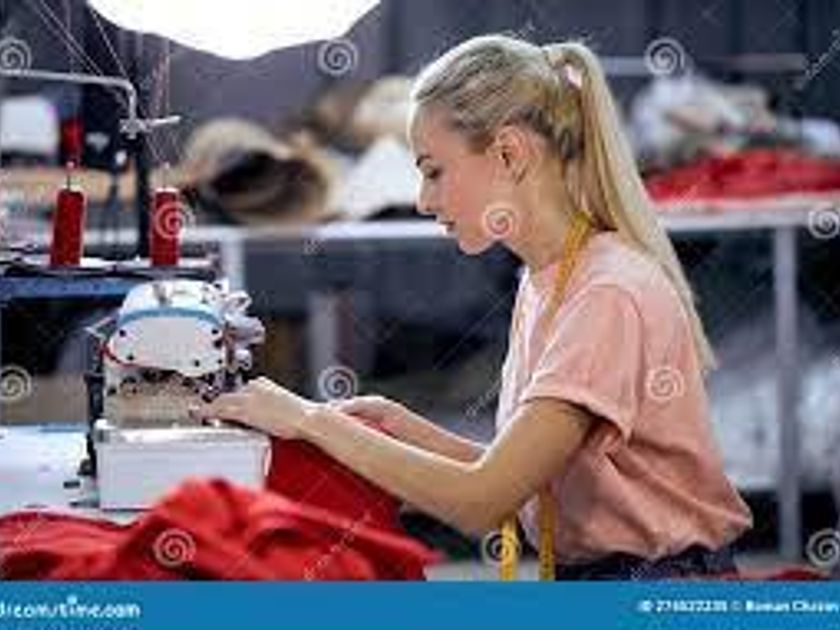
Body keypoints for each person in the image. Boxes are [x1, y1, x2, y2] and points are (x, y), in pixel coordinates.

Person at [195, 35, 752, 580]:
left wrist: (308, 420)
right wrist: (402, 427)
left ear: (510, 153)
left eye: (433, 170)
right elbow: (520, 478)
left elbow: (482, 502)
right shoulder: (545, 280)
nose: (423, 200)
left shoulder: (606, 293)